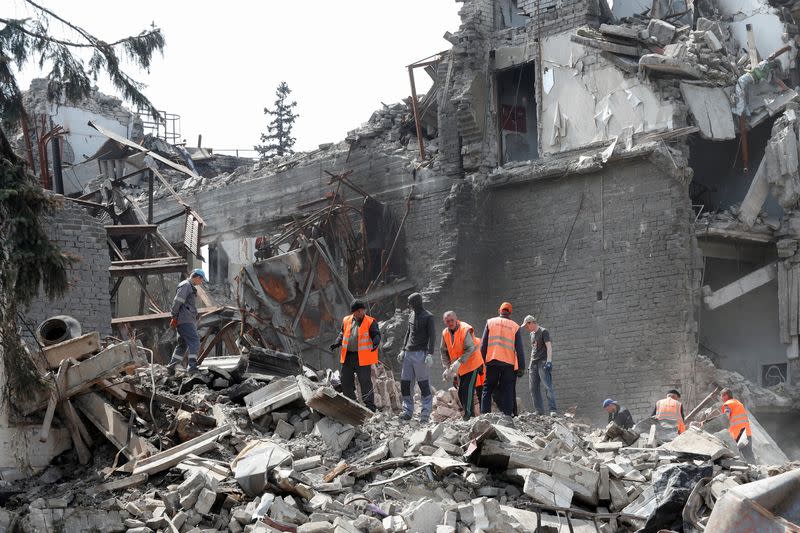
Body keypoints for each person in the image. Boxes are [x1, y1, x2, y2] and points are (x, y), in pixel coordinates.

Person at [331, 300, 380, 411]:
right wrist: (337, 342)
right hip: (348, 356)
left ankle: (370, 407)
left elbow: (376, 334)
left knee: (365, 382)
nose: (361, 313)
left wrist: (376, 342)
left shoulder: (370, 321)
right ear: (354, 312)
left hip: (362, 357)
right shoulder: (346, 320)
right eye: (358, 311)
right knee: (345, 380)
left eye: (362, 310)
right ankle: (352, 404)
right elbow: (342, 333)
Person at [480, 302, 526, 416]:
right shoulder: (515, 326)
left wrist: (480, 364)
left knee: (487, 389)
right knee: (508, 391)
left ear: (499, 311)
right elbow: (519, 349)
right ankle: (507, 416)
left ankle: (485, 415)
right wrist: (521, 367)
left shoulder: (490, 322)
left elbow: (483, 345)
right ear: (510, 313)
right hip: (508, 365)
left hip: (492, 362)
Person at [398, 293, 436, 423]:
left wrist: (430, 354)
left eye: (410, 303)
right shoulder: (411, 315)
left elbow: (432, 336)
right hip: (408, 353)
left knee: (423, 384)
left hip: (421, 354)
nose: (409, 306)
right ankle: (407, 411)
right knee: (405, 383)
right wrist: (403, 349)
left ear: (416, 303)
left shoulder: (428, 317)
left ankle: (425, 413)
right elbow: (408, 333)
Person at [440, 311, 484, 420]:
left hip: (473, 363)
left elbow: (470, 348)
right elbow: (443, 351)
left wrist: (459, 362)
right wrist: (448, 368)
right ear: (444, 322)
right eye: (447, 321)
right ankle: (471, 415)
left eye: (452, 320)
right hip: (460, 367)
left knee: (467, 389)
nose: (450, 323)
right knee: (461, 391)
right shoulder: (445, 333)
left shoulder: (464, 329)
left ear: (456, 319)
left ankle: (467, 416)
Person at [167, 269, 207, 374]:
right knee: (195, 341)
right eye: (201, 280)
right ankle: (192, 367)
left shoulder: (189, 286)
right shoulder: (186, 285)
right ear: (198, 277)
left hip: (184, 320)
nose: (201, 283)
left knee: (182, 344)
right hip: (185, 320)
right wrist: (174, 316)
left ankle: (172, 367)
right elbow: (177, 301)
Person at [523, 315, 557, 416]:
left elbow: (549, 347)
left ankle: (552, 410)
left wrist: (549, 361)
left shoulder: (543, 331)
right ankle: (539, 411)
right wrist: (530, 365)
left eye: (526, 325)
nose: (526, 328)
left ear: (531, 323)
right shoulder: (531, 334)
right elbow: (533, 350)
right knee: (533, 388)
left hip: (542, 362)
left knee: (547, 385)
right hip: (533, 364)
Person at [720, 388, 756, 463]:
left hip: (738, 434)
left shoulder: (728, 404)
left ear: (726, 396)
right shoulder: (738, 403)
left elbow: (726, 415)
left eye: (722, 396)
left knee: (738, 455)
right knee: (749, 454)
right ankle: (755, 470)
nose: (721, 398)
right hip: (747, 433)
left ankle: (750, 472)